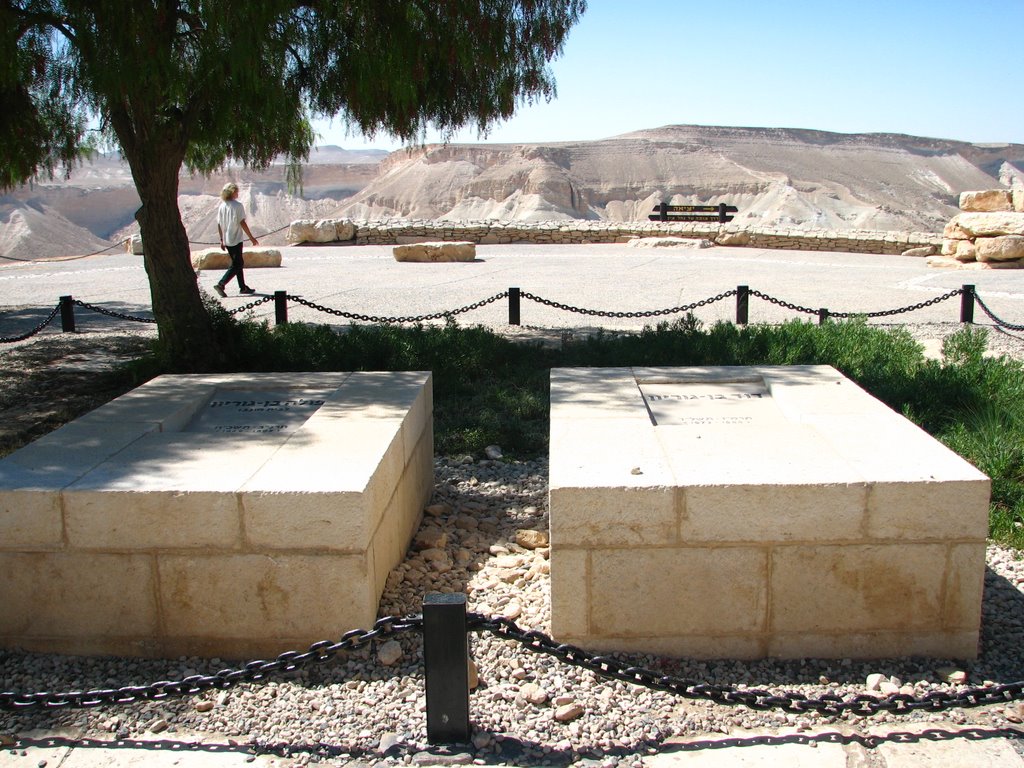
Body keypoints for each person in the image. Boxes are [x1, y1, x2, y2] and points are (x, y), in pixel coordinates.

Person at [214, 182, 258, 296]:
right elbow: (242, 222)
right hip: (236, 239)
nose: (238, 193)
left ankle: (243, 287)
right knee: (237, 264)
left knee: (238, 262)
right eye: (237, 191)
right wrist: (252, 238)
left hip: (227, 239)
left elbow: (219, 224)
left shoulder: (222, 206)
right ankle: (221, 283)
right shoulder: (238, 206)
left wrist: (221, 239)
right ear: (233, 192)